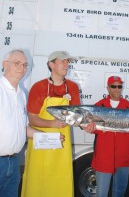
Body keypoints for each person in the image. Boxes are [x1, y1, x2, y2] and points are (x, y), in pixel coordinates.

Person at [21, 50, 81, 197]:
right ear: (51, 64)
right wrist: (52, 124)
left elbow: (77, 116)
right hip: (40, 142)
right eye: (62, 61)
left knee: (61, 179)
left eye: (68, 61)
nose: (66, 64)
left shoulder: (72, 87)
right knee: (37, 179)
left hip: (63, 144)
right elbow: (32, 118)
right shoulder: (39, 87)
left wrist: (86, 123)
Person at [90, 76, 129, 197]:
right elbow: (93, 129)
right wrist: (90, 129)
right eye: (113, 86)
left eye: (119, 86)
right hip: (104, 158)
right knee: (101, 193)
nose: (117, 89)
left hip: (123, 157)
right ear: (108, 88)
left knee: (119, 192)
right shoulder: (98, 106)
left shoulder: (128, 106)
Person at [0, 49, 36, 197]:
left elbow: (24, 128)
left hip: (13, 163)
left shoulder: (22, 94)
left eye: (25, 64)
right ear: (4, 65)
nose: (22, 68)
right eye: (17, 63)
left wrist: (50, 137)